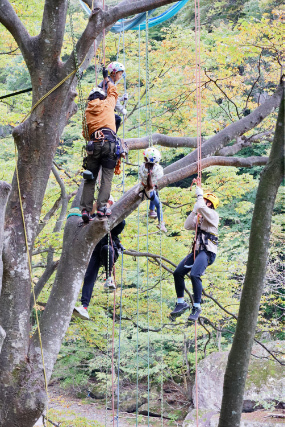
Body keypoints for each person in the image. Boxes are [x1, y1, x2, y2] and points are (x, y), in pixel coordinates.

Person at [170, 187, 219, 322]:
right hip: (196, 252)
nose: (200, 202)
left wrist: (199, 195)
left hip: (207, 252)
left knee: (194, 274)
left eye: (203, 200)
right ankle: (181, 303)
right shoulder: (201, 218)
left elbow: (202, 208)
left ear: (208, 203)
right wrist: (193, 211)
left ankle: (196, 307)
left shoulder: (213, 216)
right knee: (178, 273)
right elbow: (187, 225)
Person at [74, 197, 125, 320]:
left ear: (110, 203)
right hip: (95, 250)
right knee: (89, 275)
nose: (97, 204)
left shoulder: (113, 217)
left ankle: (109, 278)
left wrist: (110, 214)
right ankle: (84, 307)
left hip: (109, 250)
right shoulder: (94, 217)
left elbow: (121, 224)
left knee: (106, 249)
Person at [80, 67, 119, 222]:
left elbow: (85, 133)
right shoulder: (108, 104)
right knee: (107, 178)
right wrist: (107, 80)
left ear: (90, 99)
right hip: (110, 144)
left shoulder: (88, 111)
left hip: (94, 145)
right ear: (102, 97)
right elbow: (114, 92)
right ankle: (102, 207)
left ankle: (86, 210)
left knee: (90, 178)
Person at [139, 147, 167, 232]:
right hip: (149, 190)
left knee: (154, 193)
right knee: (159, 205)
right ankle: (161, 223)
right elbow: (160, 176)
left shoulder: (142, 167)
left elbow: (141, 176)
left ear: (145, 158)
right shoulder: (158, 169)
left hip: (144, 188)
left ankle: (151, 211)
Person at [98, 61, 128, 132]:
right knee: (117, 119)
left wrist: (121, 99)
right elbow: (113, 99)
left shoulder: (108, 82)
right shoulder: (108, 83)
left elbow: (110, 97)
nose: (120, 76)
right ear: (114, 73)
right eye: (120, 74)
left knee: (116, 118)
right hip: (103, 109)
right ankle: (113, 137)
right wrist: (121, 109)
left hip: (102, 108)